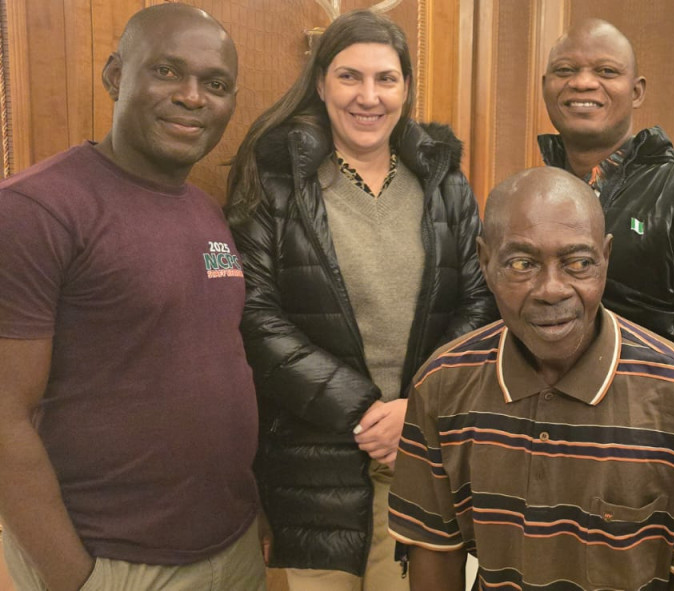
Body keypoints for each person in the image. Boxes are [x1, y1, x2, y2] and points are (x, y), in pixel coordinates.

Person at [225, 10, 495, 590]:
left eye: (385, 79)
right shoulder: (276, 178)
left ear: (406, 88)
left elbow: (477, 305)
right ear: (321, 83)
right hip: (313, 469)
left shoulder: (445, 182)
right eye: (350, 76)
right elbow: (254, 315)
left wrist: (415, 412)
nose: (368, 97)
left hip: (422, 460)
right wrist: (364, 411)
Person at [0, 4, 265, 591]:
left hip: (232, 545)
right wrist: (73, 577)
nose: (192, 97)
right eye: (167, 71)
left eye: (215, 84)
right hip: (114, 560)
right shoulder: (33, 211)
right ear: (116, 75)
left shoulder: (206, 211)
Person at [388, 167, 674, 591]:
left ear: (605, 259)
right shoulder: (442, 383)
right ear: (485, 262)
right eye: (522, 263)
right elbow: (435, 553)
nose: (552, 289)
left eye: (579, 263)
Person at [537, 18, 674, 419]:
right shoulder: (533, 196)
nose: (582, 83)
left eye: (606, 71)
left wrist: (659, 442)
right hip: (542, 430)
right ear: (545, 86)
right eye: (565, 70)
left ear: (636, 91)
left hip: (647, 437)